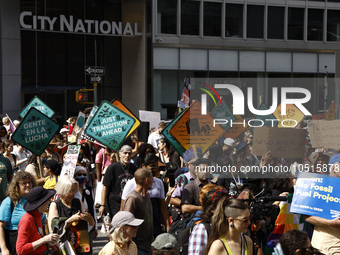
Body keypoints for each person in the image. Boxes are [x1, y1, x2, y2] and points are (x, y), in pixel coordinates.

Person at [121, 153, 170, 236]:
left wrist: (168, 228)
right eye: (152, 166)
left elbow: (163, 207)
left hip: (155, 227)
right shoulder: (131, 184)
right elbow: (123, 209)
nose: (155, 169)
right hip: (138, 230)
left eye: (156, 167)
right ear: (144, 166)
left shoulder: (159, 182)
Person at [305, 154, 340, 254]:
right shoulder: (318, 187)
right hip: (323, 247)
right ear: (334, 167)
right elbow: (307, 216)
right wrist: (330, 223)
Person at [0, 172, 36, 255]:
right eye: (24, 183)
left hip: (34, 242)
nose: (27, 185)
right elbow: (0, 226)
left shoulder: (35, 201)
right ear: (17, 186)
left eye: (29, 182)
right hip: (15, 242)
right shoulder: (9, 202)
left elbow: (44, 220)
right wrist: (4, 248)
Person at [16, 186, 59, 255]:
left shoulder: (38, 215)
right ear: (40, 203)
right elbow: (20, 250)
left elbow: (35, 239)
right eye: (47, 199)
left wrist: (49, 245)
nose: (49, 201)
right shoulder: (27, 220)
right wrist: (44, 239)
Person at [100, 145, 137, 219]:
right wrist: (102, 205)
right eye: (125, 153)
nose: (127, 155)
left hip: (129, 203)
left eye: (129, 153)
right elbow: (105, 187)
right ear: (120, 154)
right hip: (115, 204)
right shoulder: (112, 168)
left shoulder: (134, 168)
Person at [188, 187, 228, 255]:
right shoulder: (202, 229)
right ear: (212, 209)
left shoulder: (227, 227)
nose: (228, 209)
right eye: (223, 206)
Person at [123, 168, 153, 255]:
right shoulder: (133, 198)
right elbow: (127, 223)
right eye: (152, 179)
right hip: (137, 246)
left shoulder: (146, 195)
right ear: (146, 180)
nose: (153, 181)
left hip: (148, 245)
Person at [73, 166, 97, 247]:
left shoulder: (88, 189)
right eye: (79, 174)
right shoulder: (72, 191)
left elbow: (93, 208)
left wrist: (95, 226)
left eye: (84, 174)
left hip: (89, 224)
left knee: (88, 248)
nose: (82, 176)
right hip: (76, 224)